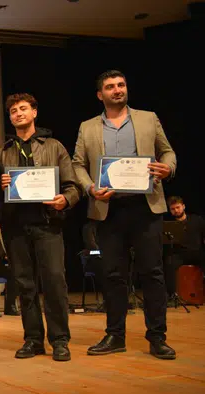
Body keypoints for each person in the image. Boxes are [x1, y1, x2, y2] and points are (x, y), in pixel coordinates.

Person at [72, 70, 177, 360]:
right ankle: (115, 335)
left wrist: (168, 168)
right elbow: (77, 164)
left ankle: (157, 337)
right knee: (113, 275)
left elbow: (168, 153)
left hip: (145, 206)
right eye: (110, 87)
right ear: (100, 95)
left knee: (152, 273)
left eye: (121, 85)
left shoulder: (147, 118)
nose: (117, 90)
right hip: (108, 210)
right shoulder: (88, 127)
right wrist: (90, 188)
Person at [0, 93, 82, 361]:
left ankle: (60, 339)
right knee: (24, 284)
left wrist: (64, 200)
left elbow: (73, 186)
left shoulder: (54, 146)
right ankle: (33, 339)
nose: (18, 114)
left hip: (48, 224)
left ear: (34, 113)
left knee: (54, 281)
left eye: (23, 109)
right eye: (13, 111)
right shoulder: (1, 151)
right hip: (15, 226)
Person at [164, 196, 205, 296]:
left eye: (178, 207)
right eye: (173, 209)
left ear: (183, 206)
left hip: (197, 252)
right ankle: (172, 295)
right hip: (180, 254)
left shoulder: (197, 220)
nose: (176, 210)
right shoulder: (170, 224)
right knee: (169, 263)